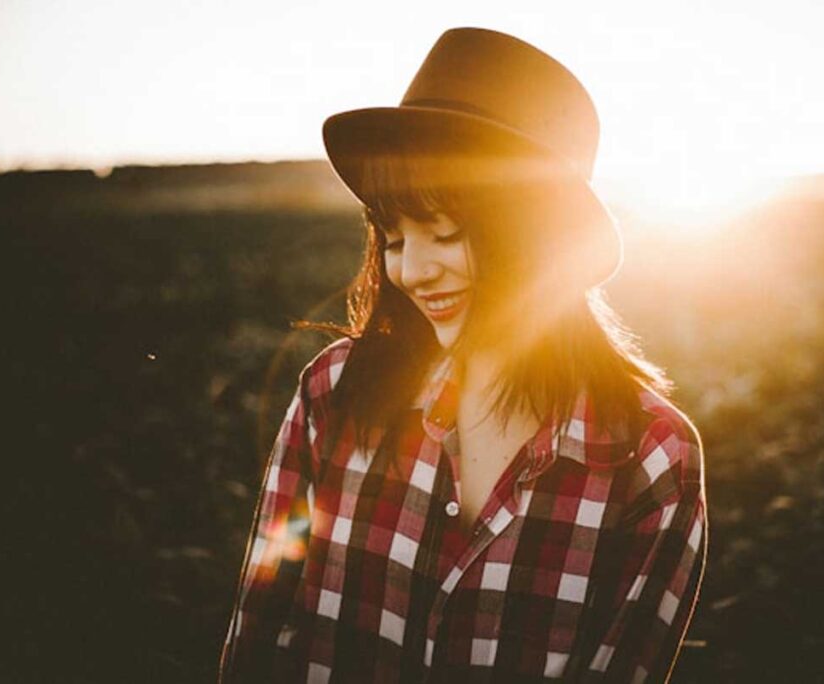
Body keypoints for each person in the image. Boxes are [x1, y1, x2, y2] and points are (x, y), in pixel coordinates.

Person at [220, 27, 707, 683]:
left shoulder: (651, 459)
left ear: (534, 234)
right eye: (392, 238)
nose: (411, 271)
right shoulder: (332, 393)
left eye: (444, 232)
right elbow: (255, 641)